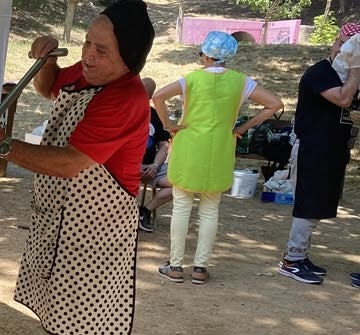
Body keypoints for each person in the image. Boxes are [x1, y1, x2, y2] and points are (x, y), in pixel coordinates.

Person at [0, 0, 153, 335]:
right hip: (62, 213)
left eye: (102, 49)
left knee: (77, 316)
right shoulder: (86, 75)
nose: (88, 54)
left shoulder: (124, 98)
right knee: (74, 312)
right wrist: (46, 61)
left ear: (130, 58)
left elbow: (69, 163)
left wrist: (2, 145)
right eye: (87, 42)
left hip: (98, 224)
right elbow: (50, 89)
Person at [152, 31, 283, 285]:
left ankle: (176, 265)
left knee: (182, 206)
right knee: (210, 210)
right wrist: (243, 129)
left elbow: (157, 96)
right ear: (229, 56)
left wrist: (169, 124)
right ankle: (200, 268)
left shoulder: (191, 79)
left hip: (189, 146)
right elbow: (274, 104)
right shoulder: (241, 81)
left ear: (205, 54)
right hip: (221, 148)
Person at [277, 23, 360, 285]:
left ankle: (300, 255)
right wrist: (356, 68)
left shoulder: (344, 75)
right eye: (346, 47)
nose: (347, 54)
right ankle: (292, 260)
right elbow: (343, 99)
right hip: (314, 146)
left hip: (334, 148)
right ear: (336, 44)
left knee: (320, 203)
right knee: (309, 201)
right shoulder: (321, 72)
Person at [138, 77, 173, 233]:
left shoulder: (155, 115)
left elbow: (164, 145)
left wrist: (155, 165)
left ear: (150, 97)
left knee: (182, 184)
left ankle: (144, 211)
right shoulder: (121, 111)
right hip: (125, 167)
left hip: (151, 168)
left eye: (144, 94)